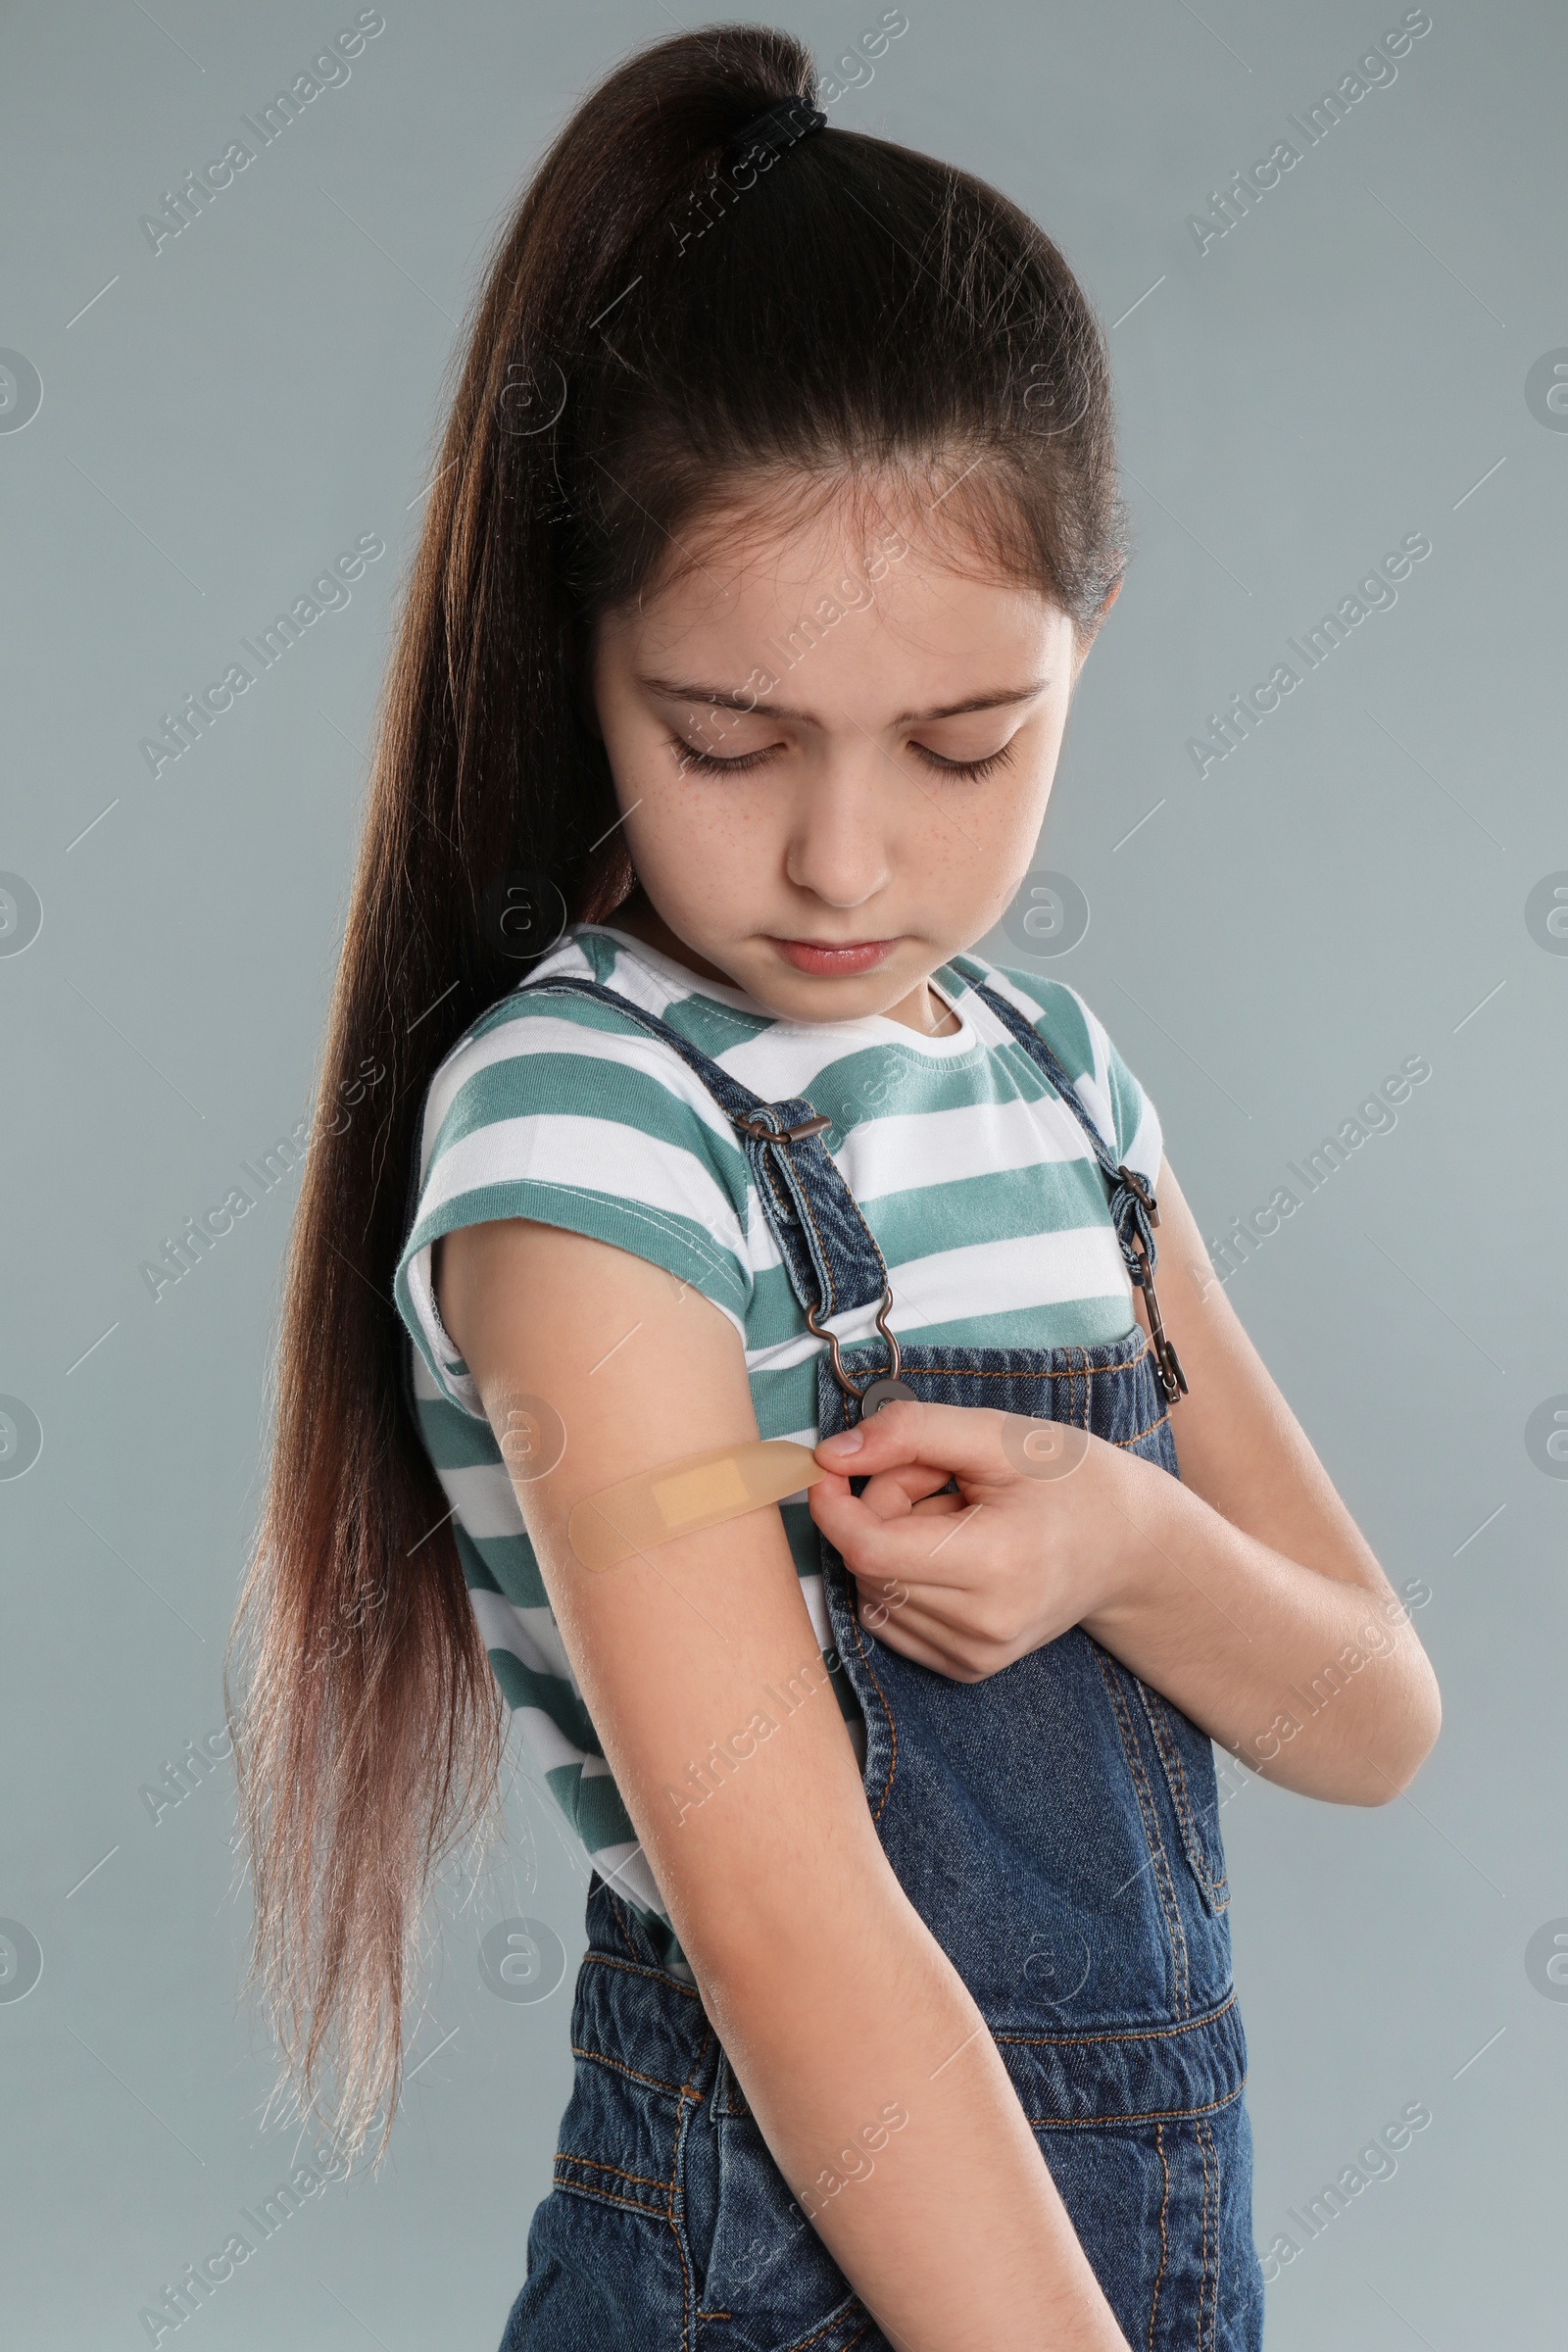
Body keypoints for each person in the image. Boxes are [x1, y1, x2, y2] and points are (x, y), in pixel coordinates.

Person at [226, 24, 1443, 2351]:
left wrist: (1120, 1535)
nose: (842, 860)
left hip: (1139, 2233)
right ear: (578, 655)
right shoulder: (581, 1136)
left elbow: (1364, 1715)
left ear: (1082, 652)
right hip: (784, 2252)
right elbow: (790, 1944)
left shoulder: (1056, 1081)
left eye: (965, 745)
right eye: (726, 738)